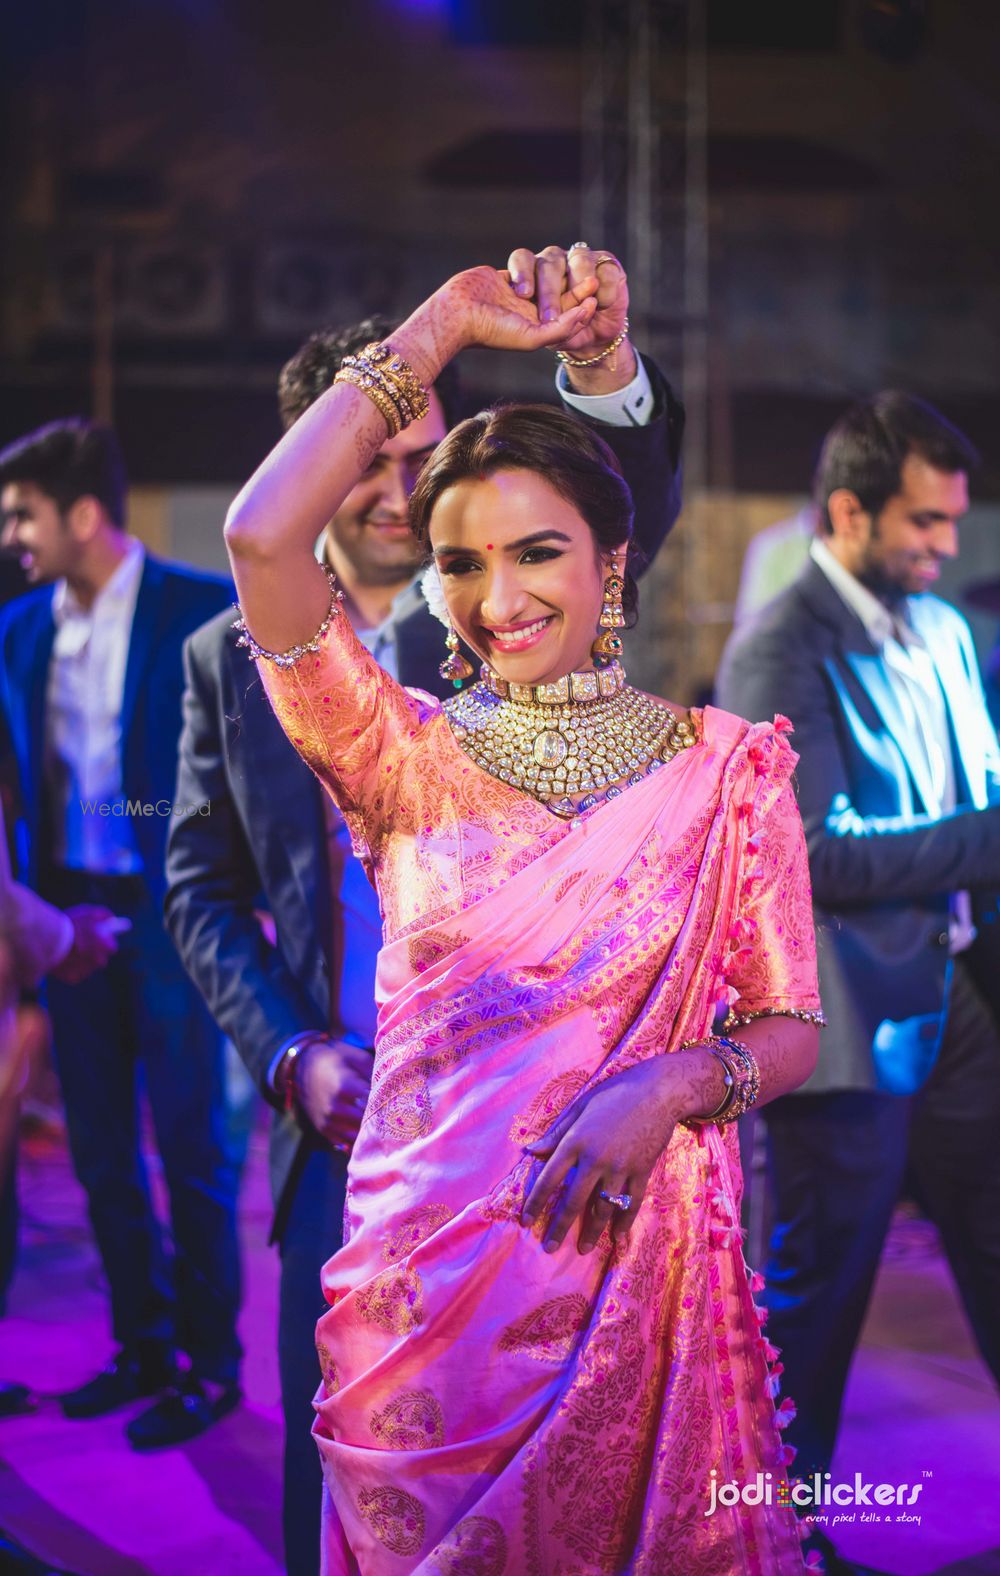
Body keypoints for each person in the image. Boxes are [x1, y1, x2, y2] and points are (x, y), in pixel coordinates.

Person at [223, 260, 821, 1573]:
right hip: (420, 1314)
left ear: (613, 561)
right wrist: (440, 327)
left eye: (536, 551)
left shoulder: (726, 770)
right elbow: (265, 540)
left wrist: (672, 1083)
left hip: (632, 1290)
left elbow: (788, 1028)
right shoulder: (396, 756)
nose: (497, 600)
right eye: (459, 564)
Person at [165, 241, 685, 1576]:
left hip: (536, 1137)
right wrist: (291, 1055)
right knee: (347, 1484)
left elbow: (639, 504)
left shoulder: (513, 615)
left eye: (426, 456)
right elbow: (203, 890)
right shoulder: (234, 656)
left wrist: (603, 367)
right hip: (344, 1144)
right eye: (376, 458)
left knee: (547, 1479)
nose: (405, 491)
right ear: (315, 461)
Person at [716, 393, 1000, 1571]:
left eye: (951, 524)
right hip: (837, 1015)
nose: (945, 548)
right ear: (847, 509)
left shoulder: (937, 626)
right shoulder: (774, 648)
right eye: (925, 524)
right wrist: (987, 837)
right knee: (816, 1301)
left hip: (951, 992)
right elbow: (811, 856)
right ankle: (774, 1532)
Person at [0, 418, 242, 1449]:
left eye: (21, 514)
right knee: (100, 1151)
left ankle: (212, 1363)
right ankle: (141, 1345)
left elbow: (239, 769)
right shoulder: (17, 631)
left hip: (172, 908)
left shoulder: (202, 609)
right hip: (68, 920)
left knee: (191, 1147)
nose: (9, 534)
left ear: (83, 514)